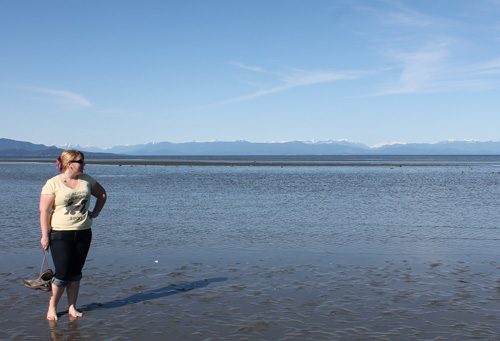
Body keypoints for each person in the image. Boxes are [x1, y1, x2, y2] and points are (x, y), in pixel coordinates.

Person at [40, 149, 107, 321]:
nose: (84, 164)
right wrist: (45, 236)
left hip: (84, 232)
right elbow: (44, 211)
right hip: (60, 234)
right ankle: (52, 307)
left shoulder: (86, 180)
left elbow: (102, 194)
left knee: (76, 272)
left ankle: (72, 307)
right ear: (69, 164)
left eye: (83, 161)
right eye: (80, 161)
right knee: (62, 273)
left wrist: (95, 213)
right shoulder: (53, 183)